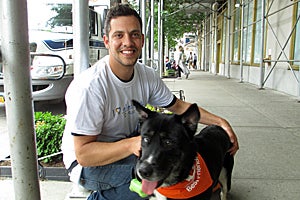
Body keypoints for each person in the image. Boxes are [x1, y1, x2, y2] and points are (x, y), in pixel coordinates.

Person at [62, 4, 239, 200]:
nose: (128, 42)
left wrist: (221, 123)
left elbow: (178, 106)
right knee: (149, 177)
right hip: (88, 166)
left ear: (142, 40)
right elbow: (84, 155)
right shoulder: (90, 86)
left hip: (129, 147)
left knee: (170, 164)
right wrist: (133, 144)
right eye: (119, 35)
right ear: (106, 41)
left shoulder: (146, 75)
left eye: (134, 34)